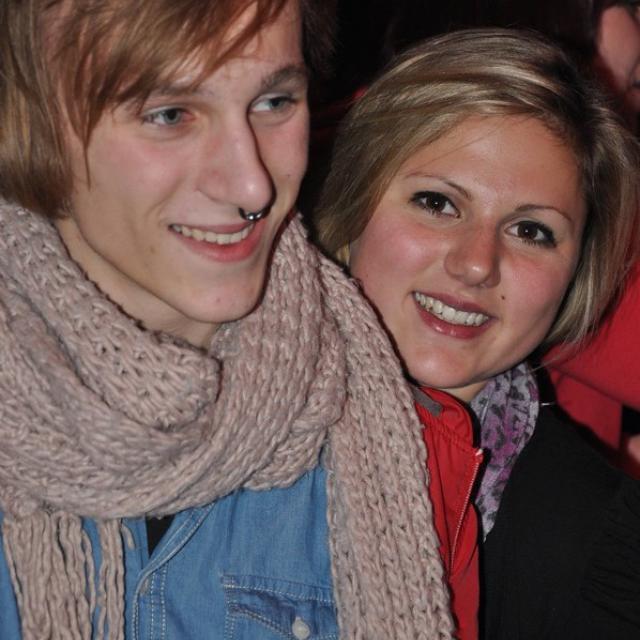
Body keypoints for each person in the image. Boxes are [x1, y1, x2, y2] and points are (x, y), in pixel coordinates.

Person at [0, 1, 456, 638]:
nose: (252, 186)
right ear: (28, 124)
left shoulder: (393, 431)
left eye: (274, 102)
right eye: (170, 115)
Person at [313, 29, 640, 639]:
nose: (476, 264)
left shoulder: (602, 551)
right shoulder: (221, 436)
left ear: (576, 274)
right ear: (353, 206)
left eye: (531, 231)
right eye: (437, 203)